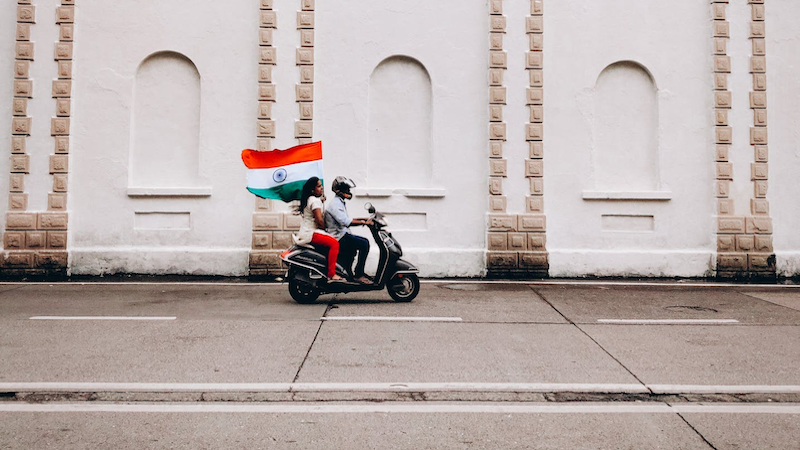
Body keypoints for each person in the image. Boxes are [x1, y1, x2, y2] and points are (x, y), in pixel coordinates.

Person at [325, 176, 373, 284]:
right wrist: (364, 223)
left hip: (342, 235)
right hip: (338, 237)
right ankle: (359, 274)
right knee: (364, 243)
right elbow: (346, 222)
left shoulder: (340, 202)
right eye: (347, 188)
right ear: (340, 190)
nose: (349, 191)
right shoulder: (335, 204)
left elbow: (348, 219)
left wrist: (365, 219)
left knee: (353, 249)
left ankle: (349, 273)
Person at [296, 177, 344, 282]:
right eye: (318, 186)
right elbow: (319, 221)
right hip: (311, 233)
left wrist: (321, 200)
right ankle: (331, 274)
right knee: (334, 243)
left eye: (321, 185)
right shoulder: (314, 201)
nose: (322, 187)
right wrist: (326, 228)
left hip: (305, 232)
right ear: (312, 190)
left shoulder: (309, 199)